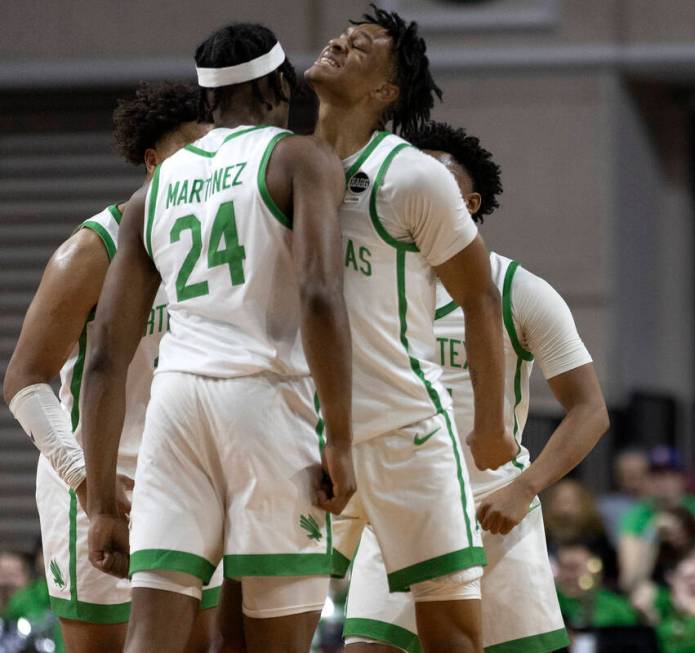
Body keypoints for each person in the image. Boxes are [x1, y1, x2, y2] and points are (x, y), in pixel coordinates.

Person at [77, 23, 353, 653]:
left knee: (152, 635)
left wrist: (100, 504)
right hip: (265, 399)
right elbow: (319, 292)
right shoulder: (298, 158)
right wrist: (340, 437)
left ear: (207, 102)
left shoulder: (153, 191)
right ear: (281, 84)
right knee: (276, 636)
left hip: (174, 407)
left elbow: (104, 358)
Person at [341, 122, 609, 653]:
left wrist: (525, 487)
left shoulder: (518, 290)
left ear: (468, 200)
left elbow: (590, 410)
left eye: (434, 180)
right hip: (403, 503)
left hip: (494, 511)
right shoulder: (374, 287)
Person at [306, 8, 517, 653]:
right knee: (270, 621)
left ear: (385, 92)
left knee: (451, 629)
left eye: (363, 46)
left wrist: (488, 420)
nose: (340, 41)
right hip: (301, 429)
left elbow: (480, 300)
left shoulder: (413, 176)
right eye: (344, 34)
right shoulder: (280, 163)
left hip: (405, 429)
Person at [2, 82, 218, 653]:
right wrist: (81, 478)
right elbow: (23, 379)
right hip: (97, 478)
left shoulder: (220, 247)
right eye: (191, 155)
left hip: (187, 477)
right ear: (152, 162)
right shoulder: (91, 251)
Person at [618, 445, 695, 591]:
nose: (662, 482)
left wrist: (682, 535)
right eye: (656, 475)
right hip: (653, 590)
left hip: (694, 588)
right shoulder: (636, 516)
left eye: (670, 474)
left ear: (682, 478)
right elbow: (629, 581)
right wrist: (653, 534)